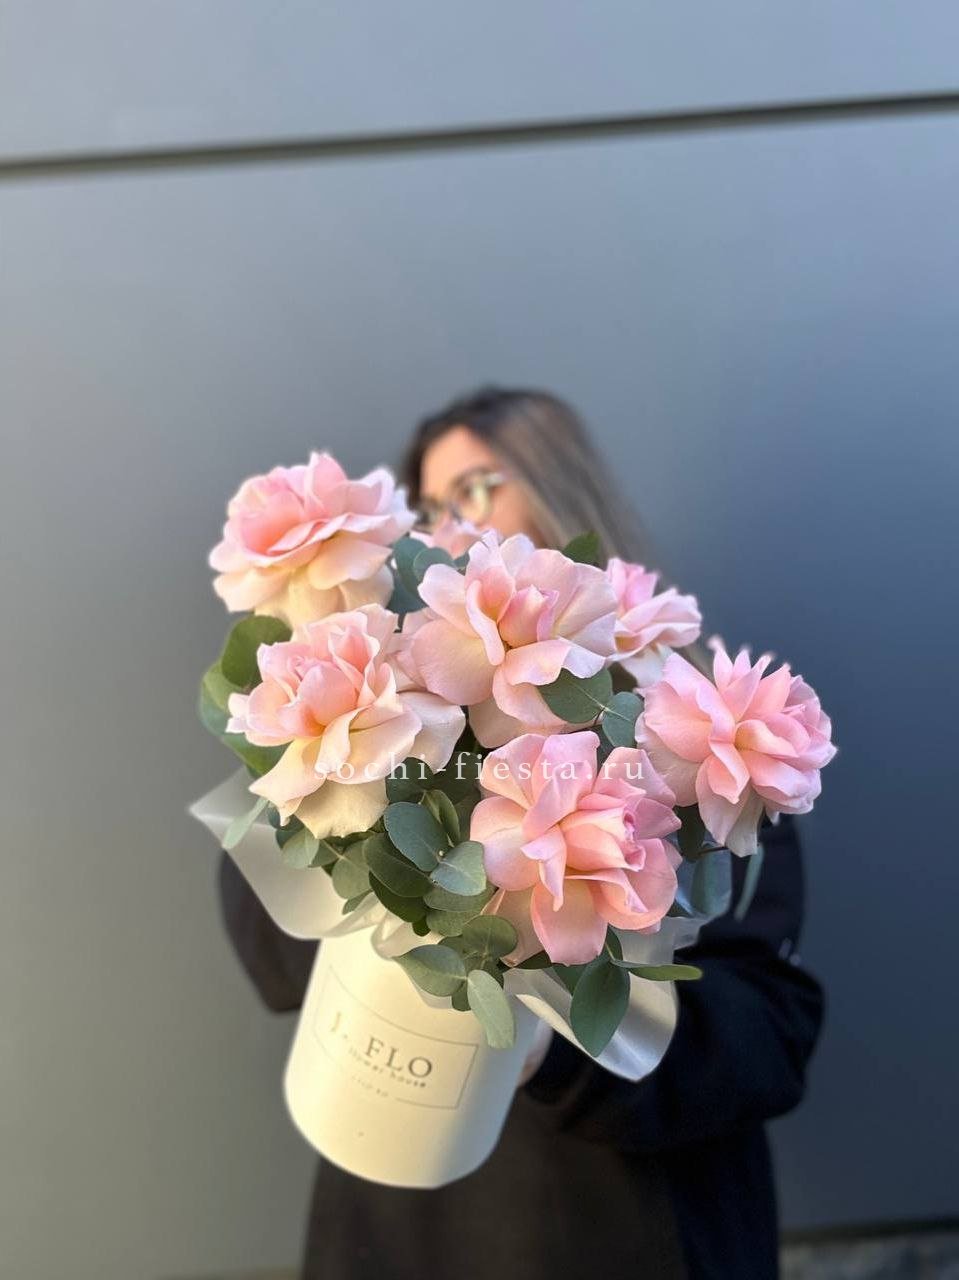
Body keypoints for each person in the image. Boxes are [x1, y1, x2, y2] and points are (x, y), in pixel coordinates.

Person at [218, 385, 825, 1280]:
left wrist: (555, 1043)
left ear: (556, 490)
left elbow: (767, 1037)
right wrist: (325, 763)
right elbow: (274, 964)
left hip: (617, 1229)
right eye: (430, 504)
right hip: (398, 1222)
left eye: (475, 487)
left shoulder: (699, 742)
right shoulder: (393, 714)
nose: (453, 523)